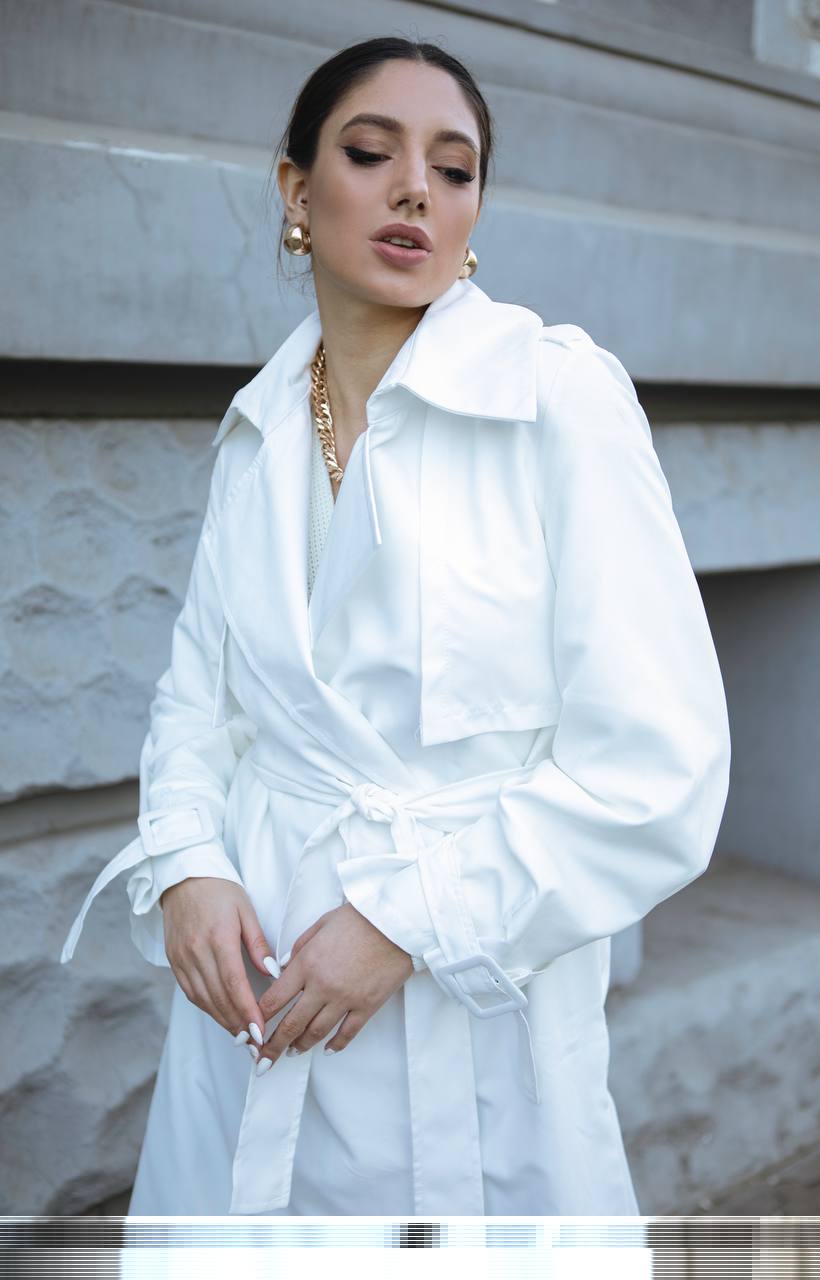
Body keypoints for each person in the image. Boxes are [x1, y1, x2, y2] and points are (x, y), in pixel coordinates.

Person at [60, 36, 731, 1216]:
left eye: (456, 168)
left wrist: (405, 920)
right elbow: (198, 699)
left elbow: (656, 766)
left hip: (470, 1017)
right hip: (251, 1004)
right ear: (294, 192)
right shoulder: (260, 426)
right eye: (370, 152)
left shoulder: (554, 400)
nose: (418, 186)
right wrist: (189, 865)